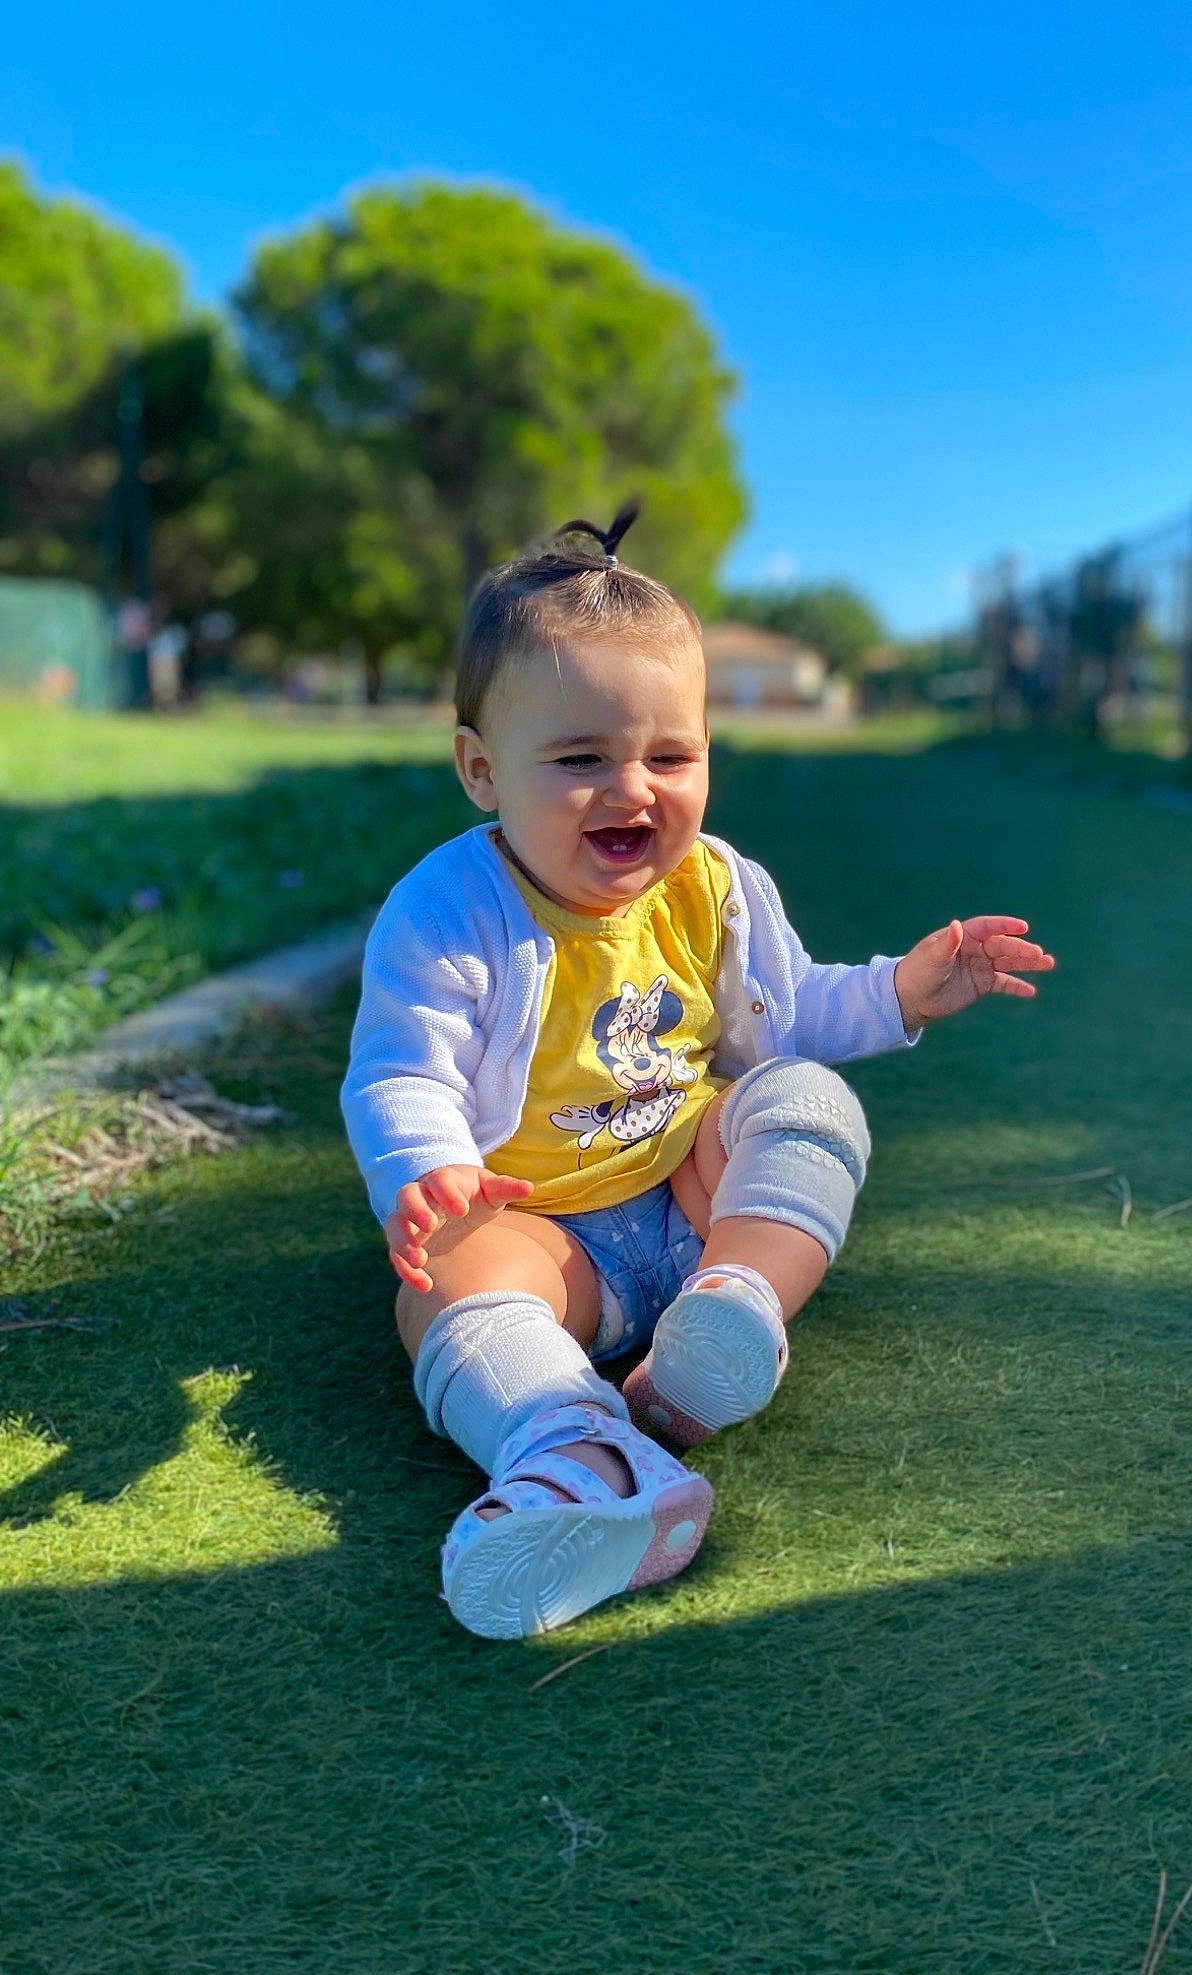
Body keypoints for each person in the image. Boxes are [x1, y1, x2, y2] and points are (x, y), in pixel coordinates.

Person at [341, 503, 1054, 1639]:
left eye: (670, 754)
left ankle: (732, 1313)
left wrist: (903, 991)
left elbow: (798, 1001)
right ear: (481, 769)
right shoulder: (446, 910)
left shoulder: (714, 884)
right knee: (439, 1286)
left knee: (806, 1100)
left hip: (690, 1196)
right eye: (579, 759)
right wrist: (428, 1168)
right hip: (545, 1231)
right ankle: (575, 1456)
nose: (634, 789)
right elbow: (400, 1069)